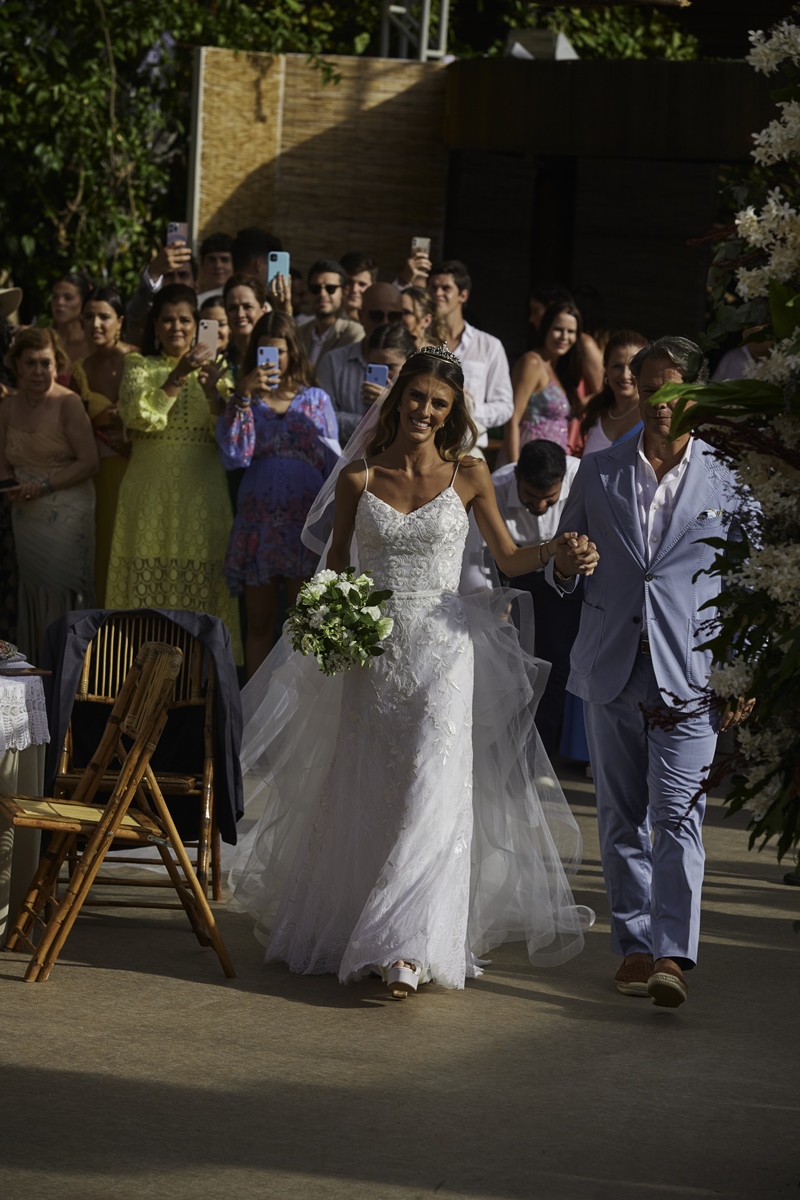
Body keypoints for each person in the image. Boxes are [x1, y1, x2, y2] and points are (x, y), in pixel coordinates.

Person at [229, 346, 597, 996]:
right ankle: (360, 922)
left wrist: (559, 556)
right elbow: (337, 567)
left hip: (446, 650)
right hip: (374, 656)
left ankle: (407, 946)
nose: (426, 411)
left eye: (440, 403)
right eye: (419, 397)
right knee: (370, 787)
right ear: (399, 399)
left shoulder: (471, 474)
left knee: (433, 786)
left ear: (451, 413)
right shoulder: (359, 479)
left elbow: (510, 560)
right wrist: (328, 620)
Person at [547, 336, 751, 1009]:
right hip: (611, 663)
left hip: (692, 671)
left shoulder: (729, 475)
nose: (667, 402)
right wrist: (565, 564)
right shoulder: (599, 469)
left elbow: (748, 581)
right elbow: (560, 564)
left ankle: (671, 953)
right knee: (621, 817)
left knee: (679, 815)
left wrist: (742, 669)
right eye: (656, 387)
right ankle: (634, 946)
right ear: (638, 389)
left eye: (679, 388)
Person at [105, 284, 242, 661]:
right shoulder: (139, 365)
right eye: (167, 319)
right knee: (147, 586)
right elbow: (138, 418)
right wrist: (178, 375)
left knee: (201, 582)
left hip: (203, 492)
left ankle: (203, 684)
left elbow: (230, 432)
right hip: (149, 492)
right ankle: (133, 677)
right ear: (155, 325)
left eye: (184, 319)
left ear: (198, 325)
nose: (176, 327)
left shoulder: (220, 370)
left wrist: (214, 390)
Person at [216, 312, 339, 679]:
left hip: (304, 522)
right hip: (260, 521)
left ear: (293, 352)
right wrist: (242, 396)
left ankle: (297, 712)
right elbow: (233, 455)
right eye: (265, 350)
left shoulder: (317, 398)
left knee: (304, 619)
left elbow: (333, 461)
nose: (273, 358)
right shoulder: (246, 399)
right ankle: (253, 710)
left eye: (280, 351)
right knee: (260, 622)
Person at [461, 439, 582, 759]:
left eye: (550, 499)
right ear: (517, 477)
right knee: (508, 666)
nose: (540, 506)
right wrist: (490, 598)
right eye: (531, 497)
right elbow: (475, 554)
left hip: (560, 578)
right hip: (505, 575)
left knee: (556, 663)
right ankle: (499, 752)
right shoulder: (495, 486)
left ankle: (539, 755)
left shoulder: (580, 477)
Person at [0, 327, 98, 659]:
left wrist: (43, 486)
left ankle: (70, 675)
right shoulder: (7, 407)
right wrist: (11, 487)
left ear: (57, 365)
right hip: (25, 514)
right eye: (31, 364)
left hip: (67, 511)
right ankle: (40, 675)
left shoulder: (67, 403)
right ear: (17, 365)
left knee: (61, 593)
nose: (39, 372)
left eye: (46, 363)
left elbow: (89, 463)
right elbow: (2, 463)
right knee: (36, 595)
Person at [70, 286, 137, 605]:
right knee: (102, 551)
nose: (95, 324)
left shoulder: (139, 360)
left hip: (138, 470)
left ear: (120, 321)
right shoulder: (80, 370)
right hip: (98, 474)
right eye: (88, 317)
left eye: (104, 317)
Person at [428, 259, 513, 449]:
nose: (437, 293)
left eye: (445, 288)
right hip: (422, 445)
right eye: (433, 287)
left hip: (465, 448)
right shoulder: (421, 340)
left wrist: (468, 408)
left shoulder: (489, 345)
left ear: (463, 295)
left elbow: (505, 406)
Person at [317, 282, 404, 444]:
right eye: (376, 315)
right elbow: (324, 417)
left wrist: (390, 406)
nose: (385, 322)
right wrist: (379, 422)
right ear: (361, 315)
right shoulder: (333, 362)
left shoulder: (413, 363)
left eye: (394, 316)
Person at [504, 302, 584, 461]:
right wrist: (514, 467)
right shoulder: (532, 362)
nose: (564, 337)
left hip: (554, 465)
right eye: (558, 329)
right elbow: (513, 418)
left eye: (571, 332)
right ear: (545, 328)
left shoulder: (558, 370)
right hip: (529, 461)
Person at [579, 330, 647, 457]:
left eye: (633, 367)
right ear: (606, 367)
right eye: (617, 366)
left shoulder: (652, 416)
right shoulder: (596, 411)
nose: (625, 375)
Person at [528, 283, 604, 395]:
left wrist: (578, 406)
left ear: (552, 309)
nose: (531, 319)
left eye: (536, 311)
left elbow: (603, 392)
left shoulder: (584, 343)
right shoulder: (544, 352)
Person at [125, 236, 199, 347]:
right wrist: (154, 272)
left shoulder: (207, 311)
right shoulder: (144, 311)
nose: (176, 281)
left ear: (196, 285)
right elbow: (137, 313)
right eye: (169, 276)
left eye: (183, 275)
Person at [296, 260, 363, 367]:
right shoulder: (300, 333)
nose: (322, 294)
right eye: (316, 289)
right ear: (308, 292)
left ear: (344, 291)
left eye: (330, 288)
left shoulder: (353, 334)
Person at [359, 323, 418, 408]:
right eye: (374, 366)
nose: (384, 374)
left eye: (389, 367)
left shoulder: (421, 389)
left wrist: (389, 402)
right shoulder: (364, 387)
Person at [223, 273, 268, 371]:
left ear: (263, 310)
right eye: (232, 308)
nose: (240, 314)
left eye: (247, 307)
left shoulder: (274, 355)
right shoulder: (222, 360)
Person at [50, 272, 93, 372]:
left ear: (83, 302)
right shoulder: (46, 341)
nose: (60, 302)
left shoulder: (93, 343)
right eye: (55, 297)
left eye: (68, 298)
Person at [340, 251, 378, 323]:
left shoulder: (380, 326)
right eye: (349, 282)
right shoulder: (319, 326)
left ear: (373, 287)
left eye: (362, 284)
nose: (354, 289)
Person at [197, 231, 234, 303]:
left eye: (224, 260)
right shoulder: (195, 303)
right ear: (202, 264)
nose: (218, 265)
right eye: (211, 260)